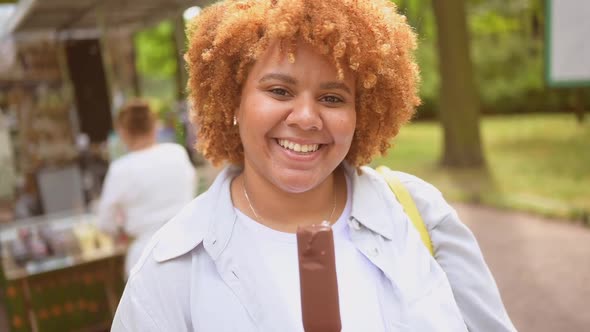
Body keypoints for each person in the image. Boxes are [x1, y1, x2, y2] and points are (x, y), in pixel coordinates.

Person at [112, 1, 515, 331]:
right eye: (279, 90)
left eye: (333, 98)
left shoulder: (421, 216)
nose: (306, 117)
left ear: (363, 112)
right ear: (232, 100)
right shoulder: (170, 269)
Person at [97, 100, 196, 278]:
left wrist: (121, 233)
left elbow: (105, 222)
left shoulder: (120, 169)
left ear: (123, 133)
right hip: (188, 248)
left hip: (144, 258)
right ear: (154, 126)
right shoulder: (177, 153)